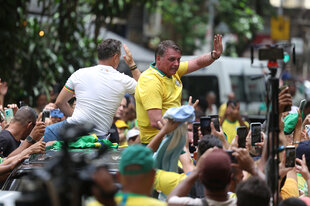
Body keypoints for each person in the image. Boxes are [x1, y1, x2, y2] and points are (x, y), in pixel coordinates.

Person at [43, 39, 140, 141]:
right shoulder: (123, 80)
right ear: (116, 57)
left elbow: (59, 102)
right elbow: (144, 90)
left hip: (73, 129)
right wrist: (131, 64)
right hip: (99, 137)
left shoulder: (80, 73)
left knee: (49, 130)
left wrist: (78, 118)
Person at [135, 34, 223, 144]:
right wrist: (184, 127)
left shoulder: (172, 71)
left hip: (173, 139)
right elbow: (156, 122)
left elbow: (197, 62)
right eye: (172, 59)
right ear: (158, 59)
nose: (176, 64)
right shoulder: (151, 80)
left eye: (178, 59)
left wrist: (214, 55)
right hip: (155, 144)